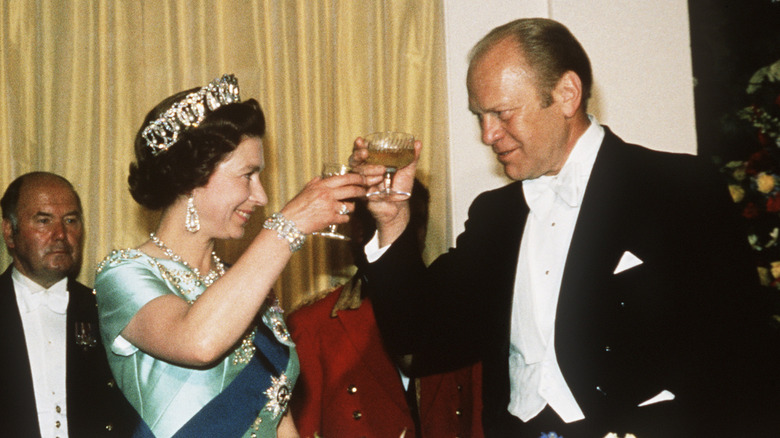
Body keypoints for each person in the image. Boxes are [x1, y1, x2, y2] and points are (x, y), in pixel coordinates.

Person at [349, 18, 779, 437]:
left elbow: (742, 356)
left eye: (501, 113)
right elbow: (420, 337)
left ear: (567, 94)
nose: (486, 134)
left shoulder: (677, 187)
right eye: (478, 115)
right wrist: (392, 219)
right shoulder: (496, 215)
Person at [94, 74, 366, 438]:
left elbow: (277, 415)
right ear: (193, 176)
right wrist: (289, 224)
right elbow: (199, 342)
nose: (262, 196)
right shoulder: (125, 275)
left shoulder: (244, 281)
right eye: (248, 175)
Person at [288, 180, 483, 438]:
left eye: (415, 220)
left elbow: (477, 423)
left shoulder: (458, 310)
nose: (405, 232)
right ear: (357, 229)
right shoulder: (313, 327)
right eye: (384, 218)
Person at [0, 171, 135, 437]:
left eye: (71, 220)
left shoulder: (108, 313)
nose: (61, 234)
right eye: (44, 220)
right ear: (9, 232)